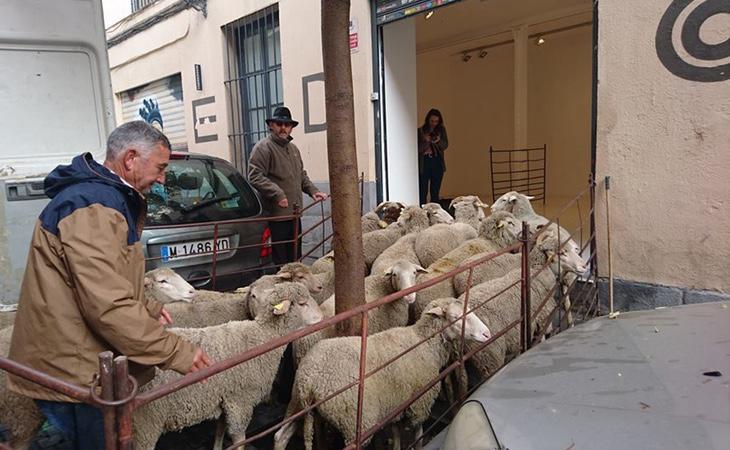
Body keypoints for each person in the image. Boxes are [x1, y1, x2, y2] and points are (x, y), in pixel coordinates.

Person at [7, 121, 212, 449]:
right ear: (130, 158)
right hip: (74, 366)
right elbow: (106, 303)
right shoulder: (94, 207)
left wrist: (148, 307)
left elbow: (106, 277)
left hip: (77, 356)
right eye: (160, 167)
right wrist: (176, 351)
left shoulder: (105, 198)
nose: (162, 178)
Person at [248, 106, 328, 265]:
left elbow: (301, 175)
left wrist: (313, 191)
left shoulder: (293, 149)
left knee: (295, 256)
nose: (283, 128)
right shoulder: (263, 147)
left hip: (294, 212)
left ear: (291, 128)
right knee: (281, 259)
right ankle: (283, 288)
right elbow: (254, 175)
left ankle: (294, 287)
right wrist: (277, 194)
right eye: (279, 124)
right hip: (277, 214)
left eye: (287, 125)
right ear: (272, 125)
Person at [418, 108, 449, 205]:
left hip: (437, 161)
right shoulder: (420, 131)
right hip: (424, 162)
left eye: (436, 121)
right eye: (432, 121)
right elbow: (417, 149)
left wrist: (438, 140)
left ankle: (434, 214)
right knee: (422, 191)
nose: (434, 123)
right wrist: (426, 141)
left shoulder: (441, 130)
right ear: (428, 120)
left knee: (435, 191)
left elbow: (445, 145)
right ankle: (422, 213)